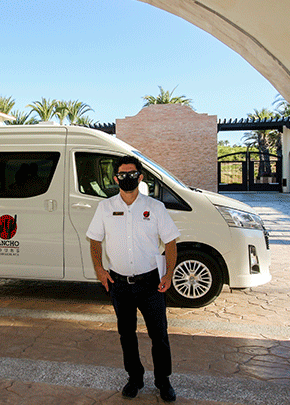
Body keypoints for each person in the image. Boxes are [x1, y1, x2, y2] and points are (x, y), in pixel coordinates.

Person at [86, 155, 180, 402]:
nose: (126, 178)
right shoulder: (104, 208)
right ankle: (134, 379)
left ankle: (163, 381)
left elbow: (170, 241)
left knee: (159, 335)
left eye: (131, 174)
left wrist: (169, 273)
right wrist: (99, 268)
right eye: (122, 174)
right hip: (119, 285)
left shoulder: (155, 208)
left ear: (140, 177)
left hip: (151, 284)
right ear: (115, 178)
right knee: (126, 335)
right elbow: (95, 240)